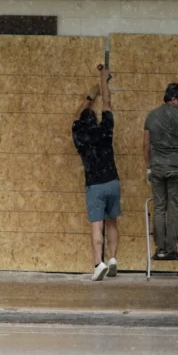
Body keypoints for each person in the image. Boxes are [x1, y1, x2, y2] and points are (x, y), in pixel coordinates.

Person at [71, 66, 120, 281]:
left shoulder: (80, 136)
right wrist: (103, 80)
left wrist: (91, 96)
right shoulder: (105, 130)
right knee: (112, 222)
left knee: (96, 224)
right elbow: (108, 103)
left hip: (95, 185)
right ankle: (113, 259)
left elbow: (76, 114)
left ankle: (98, 263)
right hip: (112, 182)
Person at [144, 82, 178, 261]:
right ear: (173, 99)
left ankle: (160, 249)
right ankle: (171, 249)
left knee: (159, 208)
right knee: (174, 209)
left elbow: (146, 145)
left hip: (157, 169)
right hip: (177, 170)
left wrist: (149, 168)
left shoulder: (151, 116)